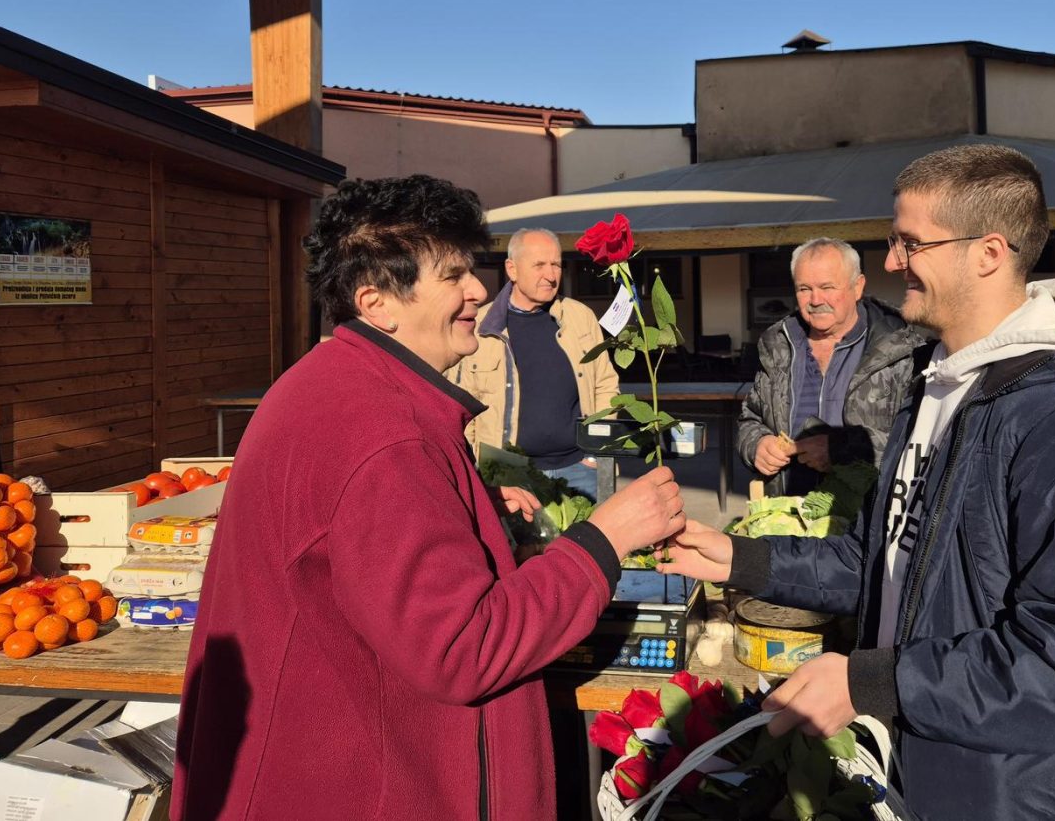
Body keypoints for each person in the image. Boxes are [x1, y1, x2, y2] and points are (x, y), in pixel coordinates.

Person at [662, 145, 1055, 821]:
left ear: (988, 252)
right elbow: (882, 564)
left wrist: (873, 682)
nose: (890, 263)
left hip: (1026, 799)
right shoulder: (938, 390)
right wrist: (742, 560)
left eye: (911, 243)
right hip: (935, 774)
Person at [172, 176, 684, 821]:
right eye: (453, 276)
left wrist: (463, 506)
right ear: (377, 302)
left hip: (323, 763)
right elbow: (463, 650)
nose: (478, 291)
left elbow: (355, 541)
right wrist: (602, 541)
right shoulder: (385, 434)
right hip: (369, 785)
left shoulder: (336, 384)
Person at [737, 237, 925, 495]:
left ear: (857, 287)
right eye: (804, 289)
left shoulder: (902, 351)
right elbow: (751, 418)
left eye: (827, 287)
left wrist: (842, 452)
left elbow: (919, 442)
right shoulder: (778, 346)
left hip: (865, 511)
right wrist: (756, 444)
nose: (815, 299)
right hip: (788, 511)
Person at [448, 227, 619, 501]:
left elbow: (605, 385)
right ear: (512, 269)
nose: (551, 275)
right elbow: (461, 407)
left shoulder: (581, 318)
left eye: (556, 265)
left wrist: (596, 454)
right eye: (539, 265)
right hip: (507, 472)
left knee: (591, 531)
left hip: (579, 468)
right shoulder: (479, 327)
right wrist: (475, 466)